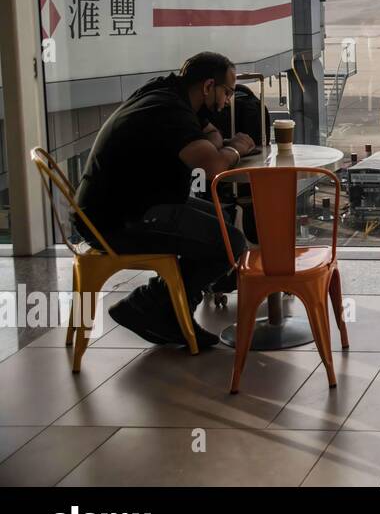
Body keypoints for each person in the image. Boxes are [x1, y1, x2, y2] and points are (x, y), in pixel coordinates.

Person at [75, 51, 255, 347]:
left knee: (220, 220)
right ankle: (152, 306)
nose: (228, 101)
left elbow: (210, 137)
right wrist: (236, 149)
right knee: (230, 241)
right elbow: (211, 167)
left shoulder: (166, 92)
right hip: (117, 220)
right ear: (208, 86)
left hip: (129, 204)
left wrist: (216, 146)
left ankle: (170, 300)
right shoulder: (169, 110)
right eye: (227, 91)